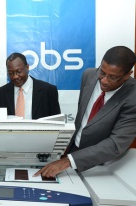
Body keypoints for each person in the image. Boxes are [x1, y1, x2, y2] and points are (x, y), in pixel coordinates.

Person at [34, 46, 136, 178]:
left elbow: (115, 144)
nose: (104, 81)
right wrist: (68, 156)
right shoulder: (89, 75)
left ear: (128, 74)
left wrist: (69, 161)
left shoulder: (133, 96)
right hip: (72, 151)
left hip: (103, 163)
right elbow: (83, 118)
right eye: (103, 72)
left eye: (113, 77)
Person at [0, 52, 60, 119]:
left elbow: (56, 123)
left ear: (27, 67)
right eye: (11, 73)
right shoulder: (2, 93)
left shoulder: (48, 91)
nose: (15, 76)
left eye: (19, 71)